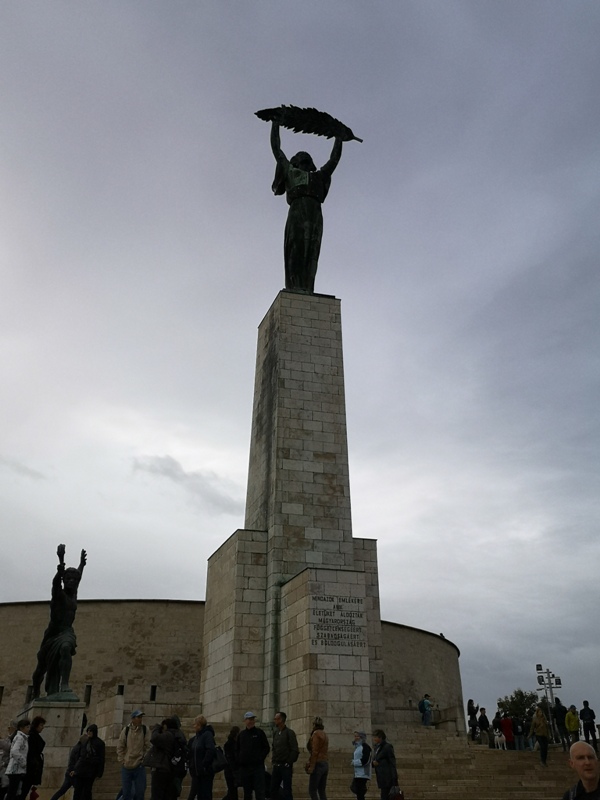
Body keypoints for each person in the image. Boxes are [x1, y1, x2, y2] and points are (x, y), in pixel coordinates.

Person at [270, 121, 343, 293]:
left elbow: (333, 160)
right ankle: (295, 286)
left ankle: (308, 287)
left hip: (315, 213)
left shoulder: (318, 177)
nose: (305, 164)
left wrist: (339, 138)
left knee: (312, 250)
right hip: (297, 211)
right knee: (296, 249)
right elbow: (277, 150)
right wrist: (275, 124)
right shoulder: (290, 172)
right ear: (296, 163)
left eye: (307, 161)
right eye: (301, 161)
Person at [32, 544, 87, 698]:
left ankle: (64, 684)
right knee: (40, 669)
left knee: (65, 648)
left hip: (66, 632)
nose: (71, 582)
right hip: (52, 634)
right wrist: (61, 561)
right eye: (68, 579)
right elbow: (56, 583)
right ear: (64, 580)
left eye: (74, 580)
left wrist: (81, 564)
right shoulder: (59, 595)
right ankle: (35, 689)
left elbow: (79, 577)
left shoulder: (73, 594)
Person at [235, 713, 269, 800]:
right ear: (245, 721)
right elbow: (237, 749)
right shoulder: (241, 735)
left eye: (252, 719)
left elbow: (266, 747)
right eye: (249, 719)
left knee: (260, 791)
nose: (251, 721)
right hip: (245, 768)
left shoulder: (259, 733)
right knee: (247, 792)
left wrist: (260, 758)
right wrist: (240, 760)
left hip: (257, 768)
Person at [117, 710, 150, 800]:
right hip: (127, 766)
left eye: (141, 717)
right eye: (138, 717)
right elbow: (120, 746)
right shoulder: (126, 730)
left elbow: (148, 746)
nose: (140, 719)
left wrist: (144, 759)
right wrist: (122, 760)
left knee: (140, 792)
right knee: (126, 793)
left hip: (139, 765)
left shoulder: (144, 729)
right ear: (133, 719)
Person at [70, 724, 105, 800]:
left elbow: (101, 759)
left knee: (87, 791)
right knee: (77, 791)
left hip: (90, 771)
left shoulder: (100, 743)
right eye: (88, 731)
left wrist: (100, 773)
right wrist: (75, 769)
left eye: (90, 731)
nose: (89, 732)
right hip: (81, 770)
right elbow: (81, 757)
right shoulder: (85, 741)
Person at [270, 712, 298, 800]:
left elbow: (294, 750)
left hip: (285, 766)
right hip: (276, 765)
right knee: (273, 789)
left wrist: (288, 762)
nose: (274, 720)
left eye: (276, 719)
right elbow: (274, 748)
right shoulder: (276, 733)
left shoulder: (289, 733)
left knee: (287, 790)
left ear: (281, 720)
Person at [188, 715, 216, 800]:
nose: (194, 726)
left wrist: (204, 765)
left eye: (195, 724)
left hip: (205, 772)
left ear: (200, 725)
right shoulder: (196, 737)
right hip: (197, 772)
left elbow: (210, 750)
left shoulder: (207, 735)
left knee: (205, 795)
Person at [5, 720, 30, 800]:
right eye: (27, 727)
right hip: (15, 769)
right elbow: (14, 751)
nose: (28, 729)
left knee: (14, 792)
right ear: (21, 728)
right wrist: (23, 762)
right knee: (12, 793)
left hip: (17, 769)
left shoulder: (23, 738)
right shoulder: (20, 738)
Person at [306, 717, 328, 800]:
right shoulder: (324, 734)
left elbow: (315, 751)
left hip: (318, 763)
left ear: (314, 724)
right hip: (325, 763)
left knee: (312, 790)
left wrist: (311, 765)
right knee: (322, 791)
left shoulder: (316, 734)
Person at [24, 716, 45, 799]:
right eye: (41, 725)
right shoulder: (32, 736)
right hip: (30, 768)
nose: (42, 728)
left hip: (33, 767)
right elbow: (31, 753)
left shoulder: (34, 736)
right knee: (24, 790)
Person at [371, 730, 397, 800]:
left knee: (385, 796)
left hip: (387, 777)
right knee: (384, 795)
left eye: (375, 737)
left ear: (380, 738)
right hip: (381, 776)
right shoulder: (377, 748)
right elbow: (375, 759)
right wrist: (373, 763)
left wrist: (394, 778)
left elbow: (392, 762)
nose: (374, 739)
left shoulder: (387, 747)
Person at [351, 731, 371, 800]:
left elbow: (365, 760)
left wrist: (354, 762)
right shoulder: (358, 747)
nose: (356, 738)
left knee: (360, 792)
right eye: (355, 736)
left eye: (357, 736)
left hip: (363, 773)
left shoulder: (365, 747)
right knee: (358, 792)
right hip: (358, 773)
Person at [222, 727, 240, 800]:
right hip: (231, 771)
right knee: (232, 793)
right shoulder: (230, 744)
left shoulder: (235, 744)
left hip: (231, 770)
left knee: (232, 792)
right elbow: (231, 758)